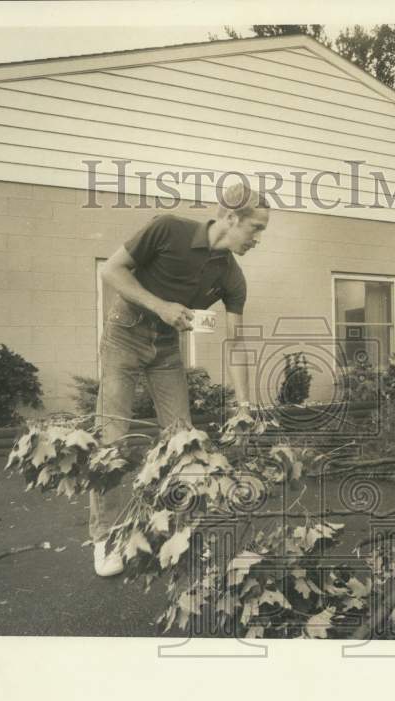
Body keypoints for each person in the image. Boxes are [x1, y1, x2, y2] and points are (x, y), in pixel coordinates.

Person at [89, 183, 270, 576]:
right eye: (256, 229)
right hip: (125, 335)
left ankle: (176, 533)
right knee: (112, 438)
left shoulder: (232, 278)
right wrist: (160, 305)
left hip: (167, 348)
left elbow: (236, 344)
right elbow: (111, 270)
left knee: (181, 441)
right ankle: (106, 538)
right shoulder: (168, 229)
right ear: (231, 218)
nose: (258, 240)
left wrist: (244, 406)